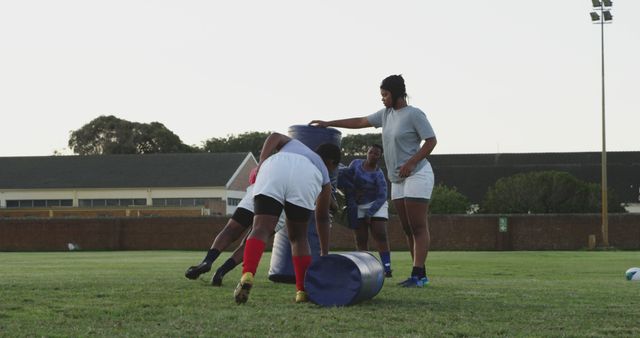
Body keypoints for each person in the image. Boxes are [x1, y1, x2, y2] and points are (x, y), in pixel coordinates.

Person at [310, 74, 437, 288]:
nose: (383, 98)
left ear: (396, 93)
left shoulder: (414, 114)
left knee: (417, 226)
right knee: (407, 228)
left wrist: (412, 163)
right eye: (382, 95)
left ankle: (417, 274)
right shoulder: (386, 114)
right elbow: (360, 121)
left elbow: (431, 141)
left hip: (417, 174)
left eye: (385, 94)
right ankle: (420, 273)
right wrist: (328, 123)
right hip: (397, 179)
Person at [234, 132, 340, 304]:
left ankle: (248, 274)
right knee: (299, 237)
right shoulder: (324, 173)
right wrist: (324, 253)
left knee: (260, 228)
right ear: (332, 163)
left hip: (274, 167)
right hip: (307, 176)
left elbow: (275, 136)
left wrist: (261, 162)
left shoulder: (295, 144)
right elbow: (322, 218)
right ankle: (302, 291)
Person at [184, 169, 286, 286]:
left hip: (259, 189)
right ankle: (222, 271)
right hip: (282, 202)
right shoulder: (304, 162)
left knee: (231, 229)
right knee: (252, 242)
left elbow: (254, 175)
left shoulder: (269, 161)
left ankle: (207, 261)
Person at [337, 144, 393, 277]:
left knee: (380, 233)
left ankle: (387, 268)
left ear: (380, 157)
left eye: (376, 154)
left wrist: (370, 213)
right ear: (367, 153)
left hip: (375, 204)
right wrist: (352, 193)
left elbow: (382, 195)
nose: (372, 155)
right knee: (361, 238)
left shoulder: (378, 175)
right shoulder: (355, 164)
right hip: (358, 205)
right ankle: (365, 268)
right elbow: (346, 179)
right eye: (370, 152)